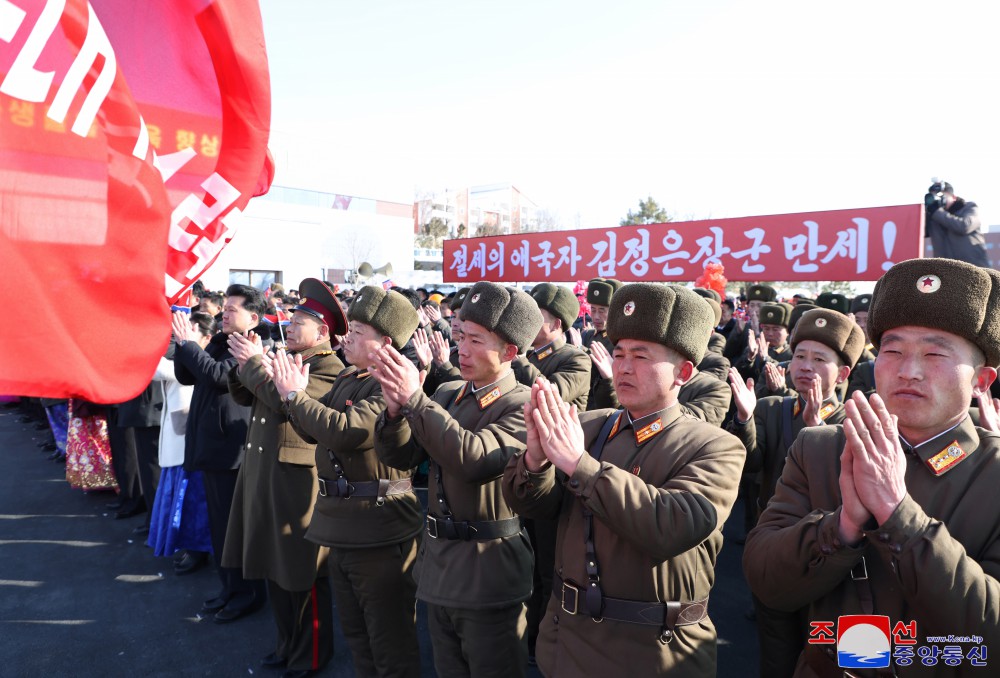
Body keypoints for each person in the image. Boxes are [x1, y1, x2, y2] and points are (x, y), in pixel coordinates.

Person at [744, 257, 1000, 676]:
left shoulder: (991, 471)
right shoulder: (822, 448)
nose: (908, 370)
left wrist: (898, 514)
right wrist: (841, 527)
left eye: (935, 353)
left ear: (982, 381)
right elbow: (765, 579)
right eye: (893, 350)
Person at [502, 283, 745, 677]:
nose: (624, 367)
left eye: (641, 356)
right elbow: (532, 506)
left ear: (684, 372)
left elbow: (673, 524)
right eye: (618, 354)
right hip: (567, 641)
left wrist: (579, 465)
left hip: (651, 650)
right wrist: (535, 459)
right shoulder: (590, 426)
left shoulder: (714, 446)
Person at [371, 281, 543, 678]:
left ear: (511, 352)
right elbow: (400, 457)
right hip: (440, 563)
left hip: (489, 570)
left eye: (476, 340)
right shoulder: (448, 393)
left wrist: (415, 401)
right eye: (460, 336)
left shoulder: (522, 404)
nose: (461, 349)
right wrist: (396, 413)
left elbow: (474, 459)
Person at [272, 285, 423, 678]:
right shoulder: (352, 376)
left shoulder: (389, 382)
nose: (347, 338)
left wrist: (295, 397)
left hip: (378, 527)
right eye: (349, 329)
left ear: (384, 342)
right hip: (341, 524)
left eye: (357, 332)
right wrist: (294, 400)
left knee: (390, 644)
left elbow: (347, 432)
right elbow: (313, 432)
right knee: (359, 637)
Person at [728, 308, 865, 678]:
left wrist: (818, 433)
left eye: (820, 359)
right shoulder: (773, 409)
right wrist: (743, 419)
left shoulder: (856, 423)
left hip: (832, 556)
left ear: (843, 373)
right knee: (776, 650)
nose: (805, 366)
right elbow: (752, 465)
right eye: (799, 356)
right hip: (777, 548)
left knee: (829, 653)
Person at [222, 279, 348, 678]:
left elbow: (284, 400)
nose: (290, 327)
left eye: (300, 322)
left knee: (302, 575)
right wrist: (247, 364)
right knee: (275, 569)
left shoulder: (329, 368)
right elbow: (248, 396)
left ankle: (310, 656)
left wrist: (256, 364)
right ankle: (285, 644)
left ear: (323, 332)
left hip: (298, 485)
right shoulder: (286, 356)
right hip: (267, 475)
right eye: (291, 319)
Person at [172, 284, 269, 624]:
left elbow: (217, 377)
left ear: (253, 318)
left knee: (234, 528)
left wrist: (188, 346)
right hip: (211, 445)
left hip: (232, 451)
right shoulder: (219, 340)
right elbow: (187, 375)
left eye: (232, 309)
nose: (224, 313)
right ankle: (229, 588)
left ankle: (247, 594)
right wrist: (183, 346)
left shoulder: (251, 347)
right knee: (219, 527)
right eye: (224, 308)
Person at [924, 180, 990, 268]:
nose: (937, 201)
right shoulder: (934, 216)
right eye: (934, 197)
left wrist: (937, 212)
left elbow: (964, 226)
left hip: (973, 267)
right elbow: (917, 232)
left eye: (941, 196)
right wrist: (925, 213)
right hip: (946, 270)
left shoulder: (969, 207)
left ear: (953, 197)